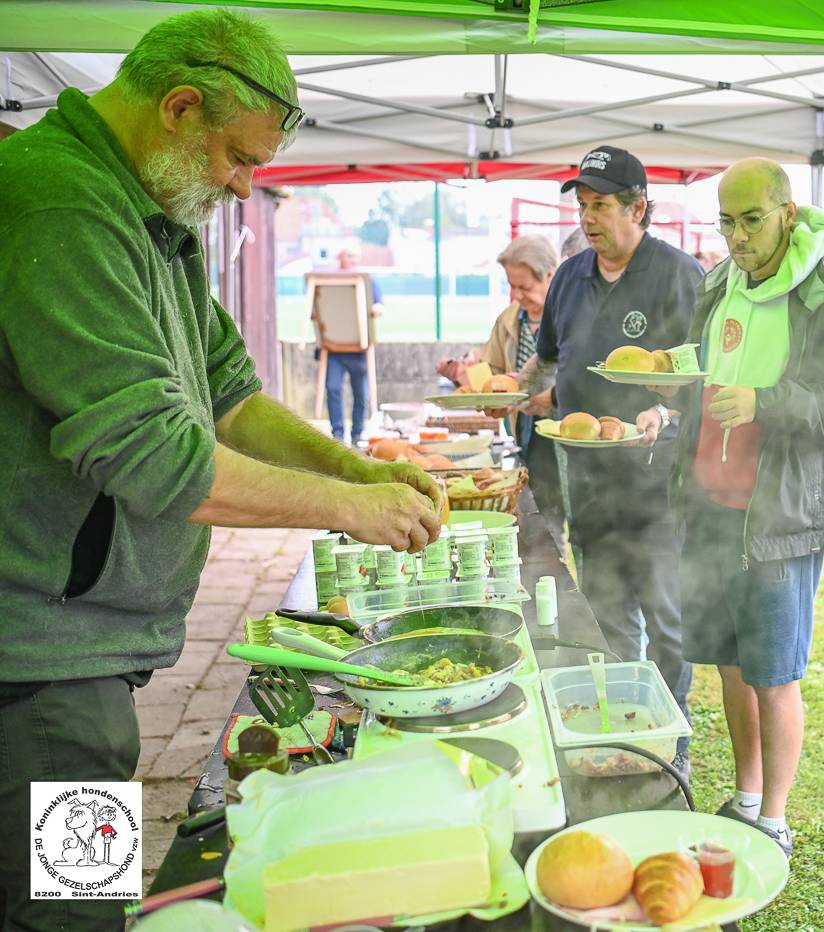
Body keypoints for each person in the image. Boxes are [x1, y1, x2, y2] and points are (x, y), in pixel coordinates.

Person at [0, 11, 443, 929]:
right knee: (76, 911)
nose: (246, 189)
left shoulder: (152, 211)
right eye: (239, 159)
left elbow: (233, 396)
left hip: (79, 657)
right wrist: (347, 511)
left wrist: (359, 475)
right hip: (41, 668)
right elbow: (157, 458)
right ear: (179, 107)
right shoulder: (61, 201)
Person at [639, 158, 824, 857]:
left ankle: (773, 820)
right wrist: (671, 385)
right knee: (729, 665)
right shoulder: (719, 285)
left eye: (751, 220)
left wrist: (767, 405)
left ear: (788, 214)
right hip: (709, 508)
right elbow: (708, 375)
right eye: (726, 222)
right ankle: (744, 797)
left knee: (774, 674)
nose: (736, 237)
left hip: (778, 518)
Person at [517, 145, 703, 769]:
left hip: (660, 486)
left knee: (669, 624)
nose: (588, 218)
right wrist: (518, 396)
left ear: (638, 208)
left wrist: (667, 412)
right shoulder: (570, 276)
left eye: (601, 206)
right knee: (607, 617)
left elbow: (704, 378)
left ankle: (671, 746)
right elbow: (556, 364)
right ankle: (631, 739)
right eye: (582, 205)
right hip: (588, 481)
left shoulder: (679, 276)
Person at [437, 234, 564, 520]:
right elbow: (489, 374)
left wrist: (536, 392)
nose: (517, 295)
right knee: (535, 513)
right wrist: (463, 374)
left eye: (525, 287)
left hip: (563, 432)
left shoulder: (567, 318)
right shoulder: (508, 319)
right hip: (524, 433)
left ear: (550, 276)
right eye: (512, 286)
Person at [321, 246, 384, 445]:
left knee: (361, 394)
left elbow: (379, 304)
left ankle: (357, 433)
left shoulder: (368, 281)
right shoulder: (329, 280)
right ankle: (337, 434)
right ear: (340, 258)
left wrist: (375, 309)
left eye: (355, 257)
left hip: (359, 349)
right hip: (335, 348)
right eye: (348, 256)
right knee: (333, 389)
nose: (352, 260)